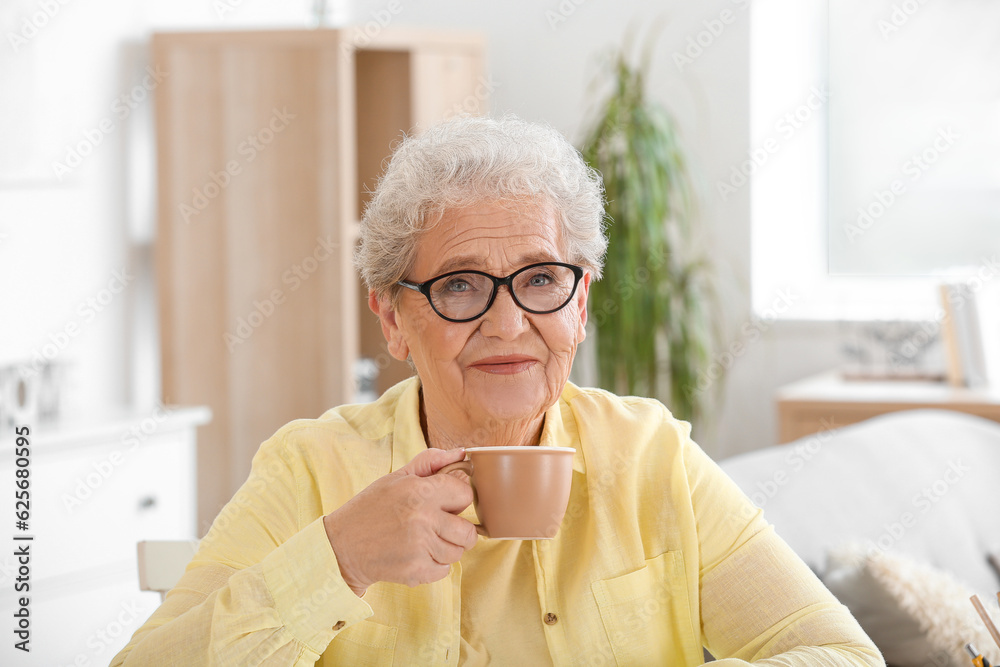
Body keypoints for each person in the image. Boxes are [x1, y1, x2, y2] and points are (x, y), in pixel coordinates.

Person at [112, 115, 884, 666]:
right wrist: (338, 559)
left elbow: (838, 652)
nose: (510, 323)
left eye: (542, 278)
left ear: (579, 305)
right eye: (459, 285)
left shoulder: (650, 456)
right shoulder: (310, 469)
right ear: (392, 317)